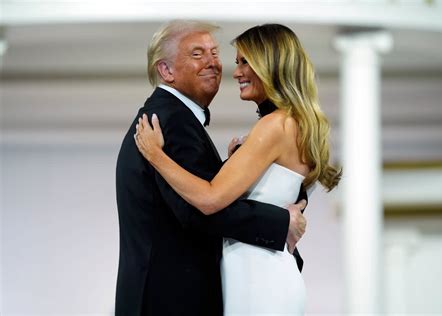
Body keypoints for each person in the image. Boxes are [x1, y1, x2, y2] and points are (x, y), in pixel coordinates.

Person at [134, 23, 341, 315]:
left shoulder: (274, 126)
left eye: (246, 62)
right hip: (260, 273)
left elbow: (209, 199)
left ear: (270, 63)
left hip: (260, 278)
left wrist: (156, 155)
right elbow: (284, 192)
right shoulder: (290, 123)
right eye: (237, 62)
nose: (236, 72)